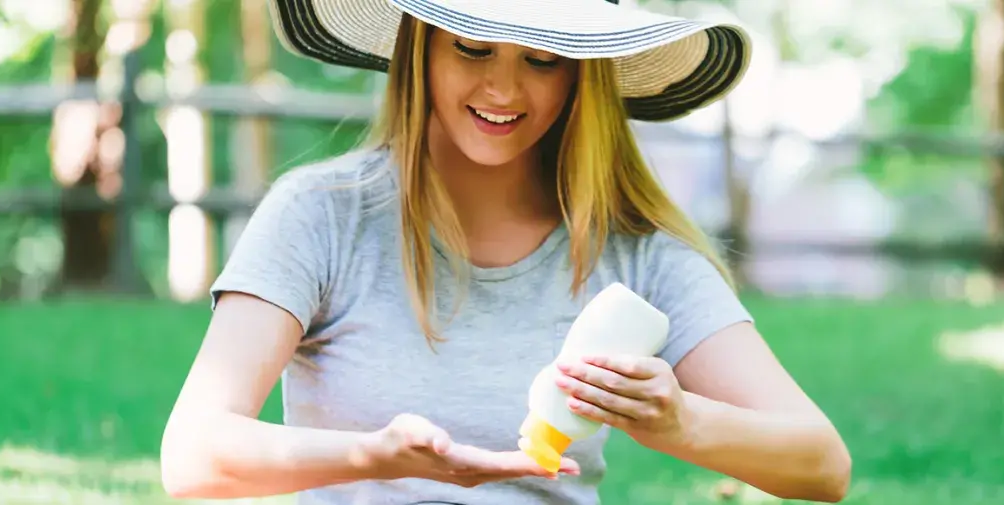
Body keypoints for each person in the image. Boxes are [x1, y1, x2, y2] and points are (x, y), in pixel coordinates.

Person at [161, 0, 852, 503]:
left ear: (581, 74)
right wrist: (373, 454)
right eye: (471, 46)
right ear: (421, 45)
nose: (502, 89)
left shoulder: (639, 255)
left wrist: (677, 420)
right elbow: (191, 455)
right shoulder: (320, 215)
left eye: (542, 58)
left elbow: (820, 462)